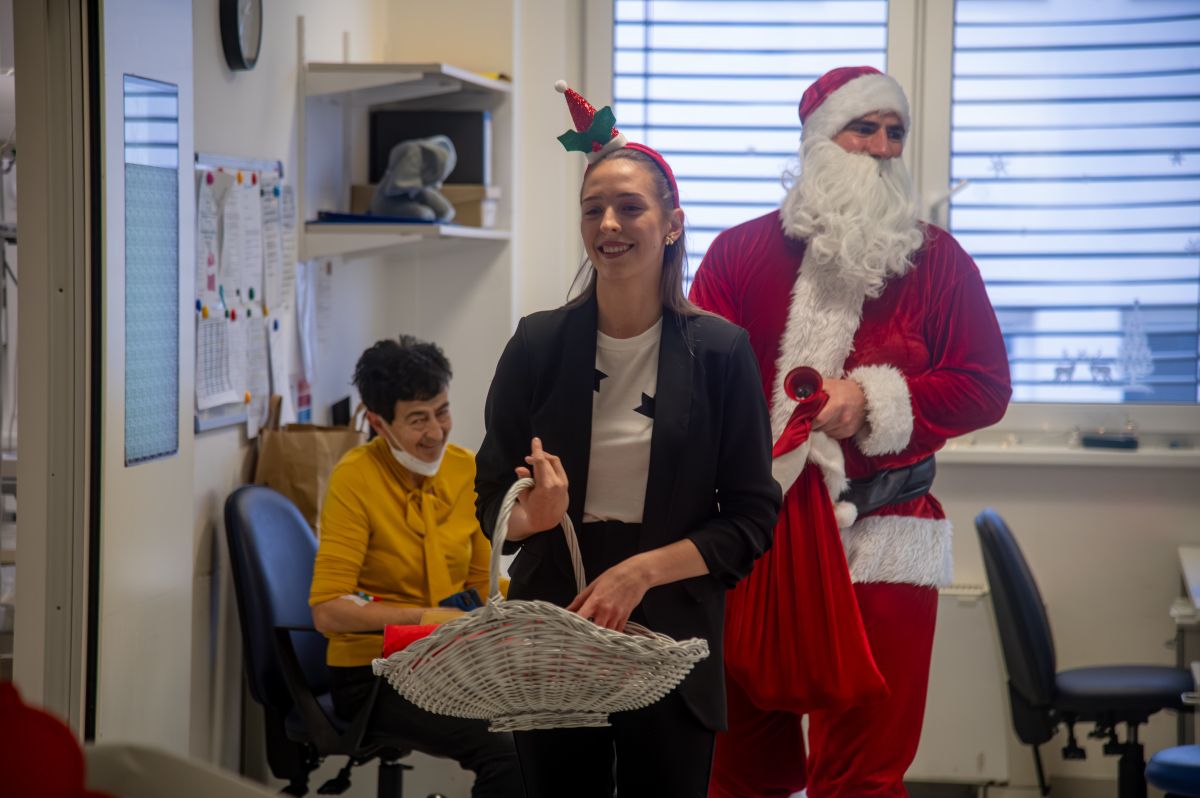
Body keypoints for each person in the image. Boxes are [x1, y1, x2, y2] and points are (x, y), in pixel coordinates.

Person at [689, 66, 1013, 798]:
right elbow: (695, 387)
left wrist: (871, 401)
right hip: (757, 538)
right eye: (863, 128)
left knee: (864, 774)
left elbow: (985, 386)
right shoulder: (738, 254)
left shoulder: (940, 263)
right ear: (818, 141)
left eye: (895, 132)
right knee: (740, 768)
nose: (882, 147)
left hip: (886, 535)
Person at [473, 82, 780, 798]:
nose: (609, 223)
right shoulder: (537, 344)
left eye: (630, 207)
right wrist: (533, 516)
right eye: (593, 209)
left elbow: (751, 517)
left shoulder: (722, 352)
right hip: (556, 620)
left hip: (671, 623)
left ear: (672, 224)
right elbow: (490, 500)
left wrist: (639, 573)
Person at [309, 336, 523, 798]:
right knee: (510, 751)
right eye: (417, 419)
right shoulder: (355, 478)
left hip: (449, 660)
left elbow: (479, 584)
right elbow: (328, 611)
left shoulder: (465, 469)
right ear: (378, 423)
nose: (436, 432)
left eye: (442, 412)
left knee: (560, 725)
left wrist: (539, 604)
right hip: (373, 674)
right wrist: (427, 619)